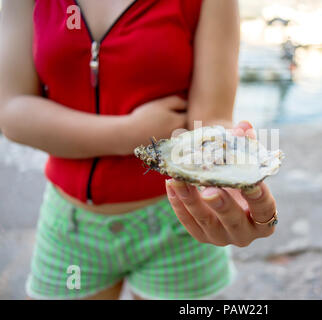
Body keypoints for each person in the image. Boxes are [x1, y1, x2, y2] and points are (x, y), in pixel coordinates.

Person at [0, 0, 278, 300]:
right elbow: (10, 112)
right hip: (70, 224)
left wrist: (226, 185)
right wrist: (131, 133)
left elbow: (209, 121)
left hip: (180, 220)